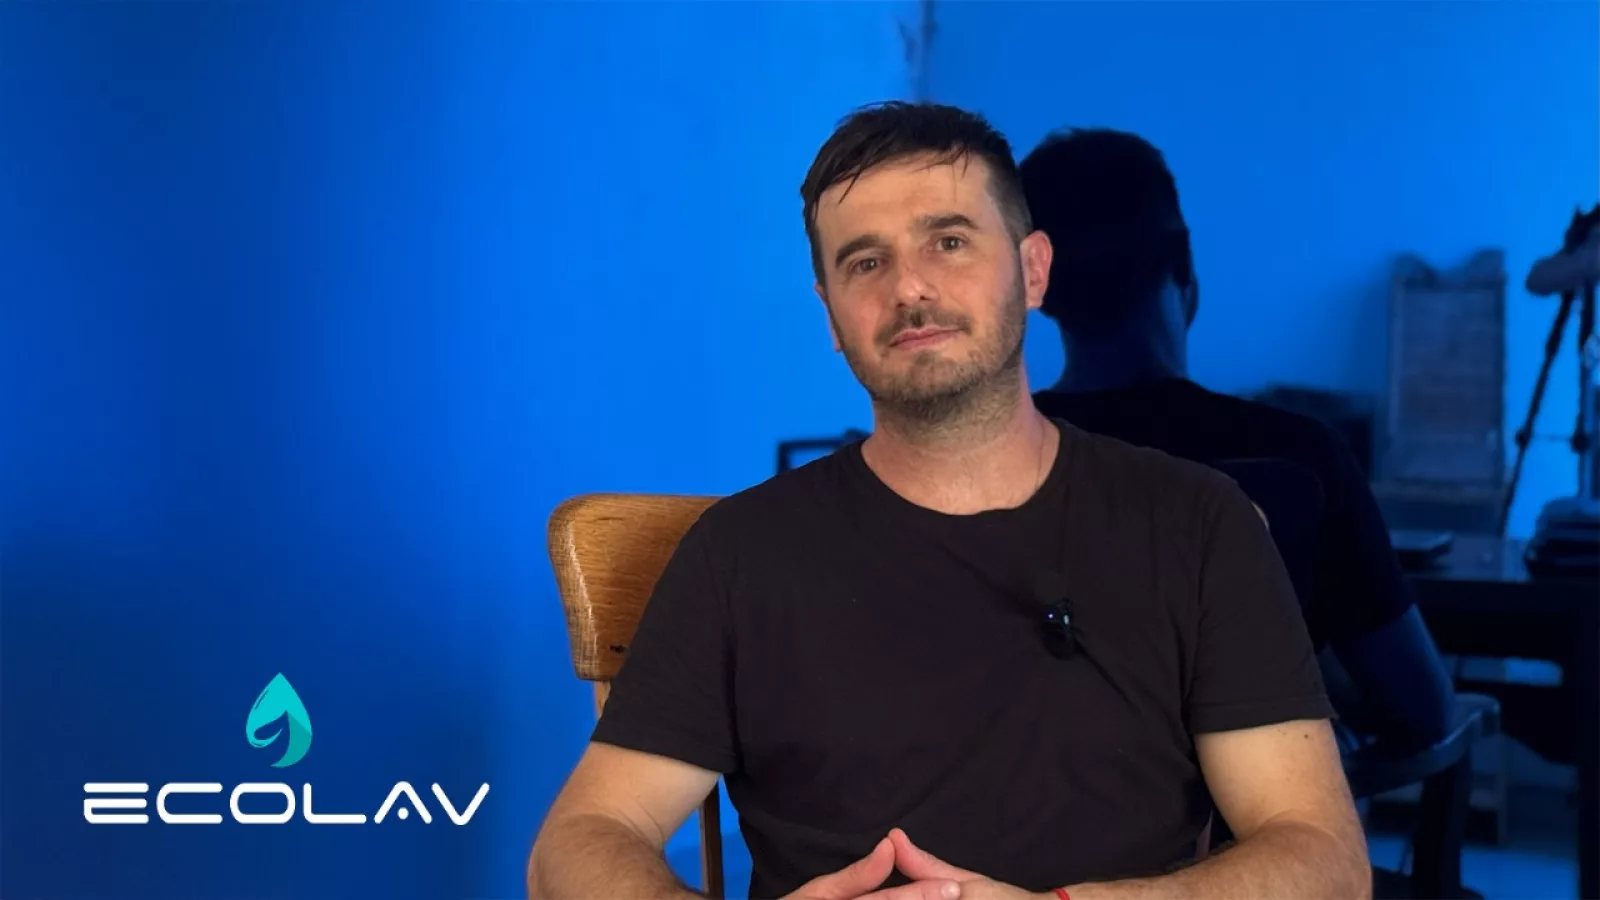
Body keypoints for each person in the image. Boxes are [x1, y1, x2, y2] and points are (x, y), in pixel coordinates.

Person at [527, 103, 1370, 900]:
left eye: (950, 242)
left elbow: (1323, 858)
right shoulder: (739, 554)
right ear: (831, 315)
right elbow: (583, 837)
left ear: (1033, 270)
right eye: (865, 262)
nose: (910, 288)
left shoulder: (1198, 525)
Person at [1019, 127, 1455, 752]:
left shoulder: (987, 461)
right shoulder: (1298, 459)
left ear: (1041, 289)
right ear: (1184, 266)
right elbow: (1423, 709)